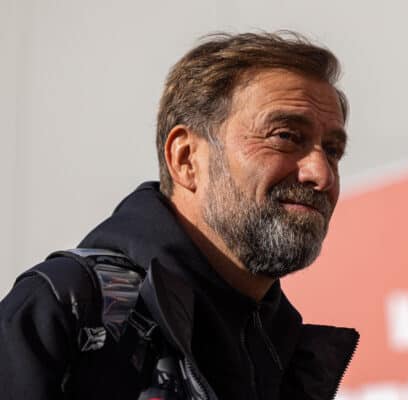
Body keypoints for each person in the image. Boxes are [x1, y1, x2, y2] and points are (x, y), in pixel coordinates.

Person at [0, 31, 358, 399]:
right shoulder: (67, 307)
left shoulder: (289, 353)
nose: (322, 174)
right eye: (285, 136)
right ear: (186, 158)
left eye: (332, 151)